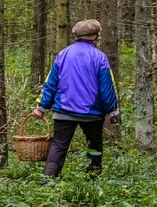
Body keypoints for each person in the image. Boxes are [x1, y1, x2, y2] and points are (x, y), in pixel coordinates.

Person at [33, 19, 119, 178]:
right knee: (95, 145)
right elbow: (107, 88)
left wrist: (41, 108)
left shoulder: (63, 54)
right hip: (92, 114)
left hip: (63, 111)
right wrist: (113, 111)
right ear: (95, 37)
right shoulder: (100, 57)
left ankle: (48, 181)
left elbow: (51, 83)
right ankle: (93, 180)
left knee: (58, 146)